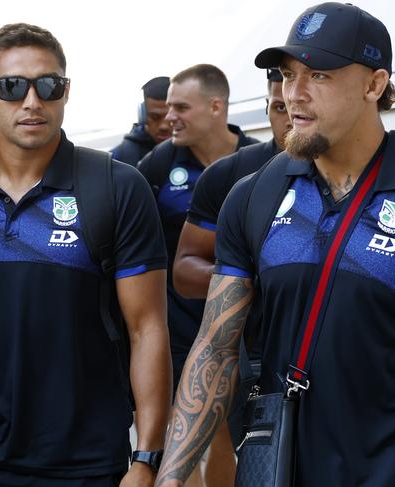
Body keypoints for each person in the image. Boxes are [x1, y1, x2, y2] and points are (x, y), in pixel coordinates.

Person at [156, 3, 395, 486]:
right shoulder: (255, 196)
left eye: (319, 75)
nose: (295, 94)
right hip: (286, 471)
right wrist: (168, 478)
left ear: (374, 85)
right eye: (288, 76)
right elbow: (215, 348)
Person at [0, 23, 171, 487]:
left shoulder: (114, 186)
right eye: (11, 87)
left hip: (82, 461)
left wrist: (147, 458)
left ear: (65, 91)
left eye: (48, 86)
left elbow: (147, 327)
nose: (32, 102)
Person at [137, 64, 258, 486]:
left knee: (226, 431)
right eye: (168, 107)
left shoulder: (261, 161)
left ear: (215, 107)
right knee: (179, 433)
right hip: (176, 326)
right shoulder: (157, 165)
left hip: (237, 326)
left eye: (180, 107)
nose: (169, 117)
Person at [173, 68, 291, 300]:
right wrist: (246, 278)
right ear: (267, 106)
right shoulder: (228, 174)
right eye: (281, 107)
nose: (293, 117)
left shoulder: (361, 174)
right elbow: (183, 273)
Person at [110, 76, 171, 166]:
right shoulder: (118, 159)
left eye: (170, 116)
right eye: (154, 117)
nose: (164, 126)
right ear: (142, 115)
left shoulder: (195, 148)